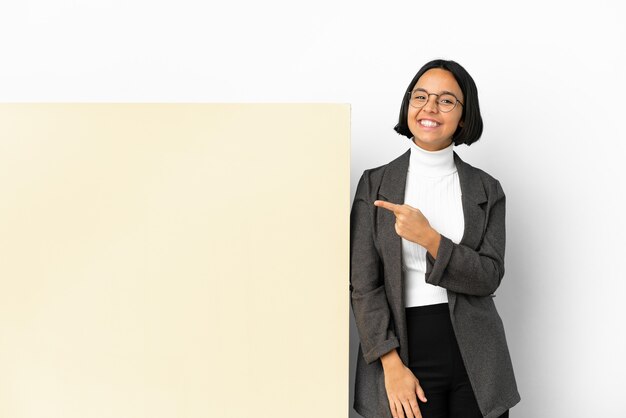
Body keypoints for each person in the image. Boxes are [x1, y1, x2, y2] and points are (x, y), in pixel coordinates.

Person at [350, 59, 520, 418]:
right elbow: (363, 285)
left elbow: (489, 276)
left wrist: (430, 239)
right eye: (421, 96)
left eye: (446, 100)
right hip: (404, 349)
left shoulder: (487, 189)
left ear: (464, 116)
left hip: (477, 355)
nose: (430, 107)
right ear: (408, 104)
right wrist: (390, 365)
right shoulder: (374, 184)